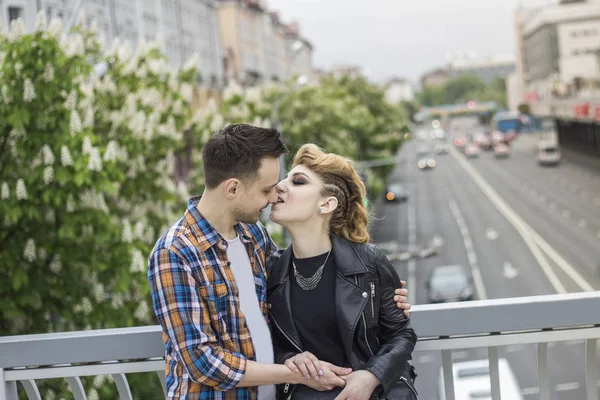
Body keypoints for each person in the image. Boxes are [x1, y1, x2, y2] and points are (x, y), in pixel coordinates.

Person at [148, 124, 412, 399]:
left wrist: (382, 295)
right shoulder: (175, 252)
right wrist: (295, 372)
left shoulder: (254, 236)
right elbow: (203, 363)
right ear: (232, 188)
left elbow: (293, 293)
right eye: (266, 190)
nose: (274, 195)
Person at [268, 144, 418, 400]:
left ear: (326, 204)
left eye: (298, 181)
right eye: (285, 179)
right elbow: (266, 341)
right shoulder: (271, 270)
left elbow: (402, 333)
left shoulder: (368, 262)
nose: (279, 186)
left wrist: (371, 376)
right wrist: (290, 360)